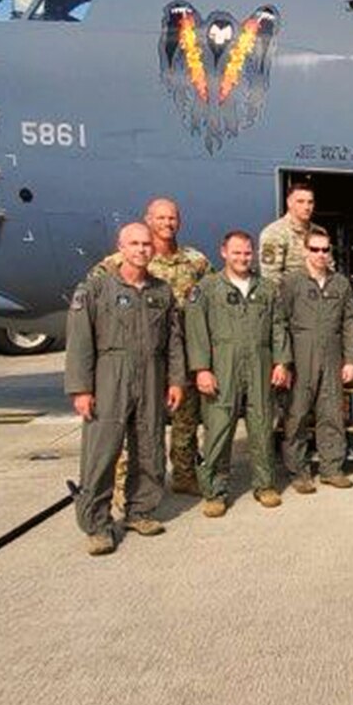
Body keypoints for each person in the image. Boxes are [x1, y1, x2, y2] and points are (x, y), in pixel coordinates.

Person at [65, 222, 186, 555]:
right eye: (134, 243)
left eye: (146, 244)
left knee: (149, 446)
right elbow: (79, 341)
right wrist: (81, 389)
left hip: (152, 372)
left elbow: (174, 340)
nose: (142, 250)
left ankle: (141, 510)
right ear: (120, 246)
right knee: (102, 451)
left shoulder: (161, 292)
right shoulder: (95, 289)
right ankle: (97, 524)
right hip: (109, 373)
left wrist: (176, 380)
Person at [92, 197, 208, 495]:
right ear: (147, 219)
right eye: (161, 218)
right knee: (136, 422)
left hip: (182, 352)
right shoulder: (119, 262)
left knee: (186, 419)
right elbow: (95, 298)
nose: (167, 224)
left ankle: (184, 474)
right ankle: (122, 485)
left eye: (172, 218)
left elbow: (212, 299)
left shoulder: (196, 261)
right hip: (142, 352)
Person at [183, 230, 289, 516]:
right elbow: (196, 332)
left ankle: (265, 485)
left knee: (262, 424)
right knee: (218, 428)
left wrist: (282, 362)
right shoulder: (206, 289)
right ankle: (215, 491)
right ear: (224, 252)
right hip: (222, 365)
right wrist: (202, 369)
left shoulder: (266, 289)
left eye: (247, 252)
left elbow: (278, 325)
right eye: (237, 252)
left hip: (260, 364)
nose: (243, 257)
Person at [277, 232, 353, 496]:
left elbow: (349, 321)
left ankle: (332, 469)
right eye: (315, 249)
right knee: (297, 414)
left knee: (332, 412)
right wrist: (283, 361)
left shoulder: (340, 284)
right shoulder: (291, 283)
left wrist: (351, 359)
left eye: (325, 250)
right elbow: (279, 322)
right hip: (301, 353)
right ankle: (299, 473)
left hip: (332, 353)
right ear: (305, 251)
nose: (320, 255)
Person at [258, 181, 326, 281]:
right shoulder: (274, 233)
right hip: (290, 294)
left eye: (310, 202)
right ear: (289, 203)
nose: (306, 207)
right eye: (300, 201)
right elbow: (270, 276)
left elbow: (328, 267)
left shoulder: (320, 232)